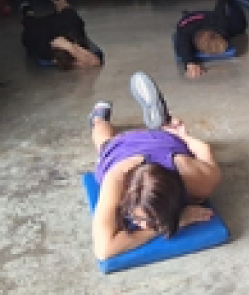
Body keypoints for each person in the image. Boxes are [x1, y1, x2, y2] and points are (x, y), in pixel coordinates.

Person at [89, 72, 221, 260]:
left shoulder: (197, 181)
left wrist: (182, 136)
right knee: (103, 142)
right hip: (120, 151)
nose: (141, 226)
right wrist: (167, 226)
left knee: (111, 140)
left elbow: (205, 150)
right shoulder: (115, 180)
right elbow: (104, 250)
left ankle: (163, 125)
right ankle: (98, 118)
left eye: (149, 221)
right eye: (136, 218)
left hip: (162, 141)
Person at [174, 0, 247, 79]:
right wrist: (189, 63)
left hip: (207, 17)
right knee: (232, 27)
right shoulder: (185, 35)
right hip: (188, 20)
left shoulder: (220, 26)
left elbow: (220, 10)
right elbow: (183, 50)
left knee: (240, 26)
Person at [20, 0, 103, 69]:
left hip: (43, 30)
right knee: (69, 16)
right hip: (64, 28)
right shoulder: (74, 37)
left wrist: (71, 48)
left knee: (30, 22)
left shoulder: (43, 48)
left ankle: (28, 6)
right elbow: (95, 61)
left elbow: (94, 61)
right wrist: (72, 47)